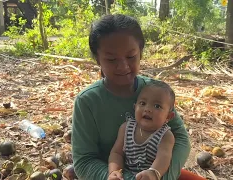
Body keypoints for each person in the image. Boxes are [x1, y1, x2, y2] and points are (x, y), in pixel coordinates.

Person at [72, 14, 207, 180]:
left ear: (140, 53)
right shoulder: (87, 102)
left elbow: (180, 139)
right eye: (111, 59)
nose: (123, 66)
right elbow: (84, 161)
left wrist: (160, 176)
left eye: (130, 57)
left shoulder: (155, 92)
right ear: (98, 59)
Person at [108, 80, 176, 180]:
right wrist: (114, 171)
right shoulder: (126, 128)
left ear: (168, 117)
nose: (147, 109)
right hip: (126, 174)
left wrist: (154, 173)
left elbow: (164, 157)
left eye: (157, 106)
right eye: (143, 103)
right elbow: (116, 153)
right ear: (135, 107)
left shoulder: (166, 136)